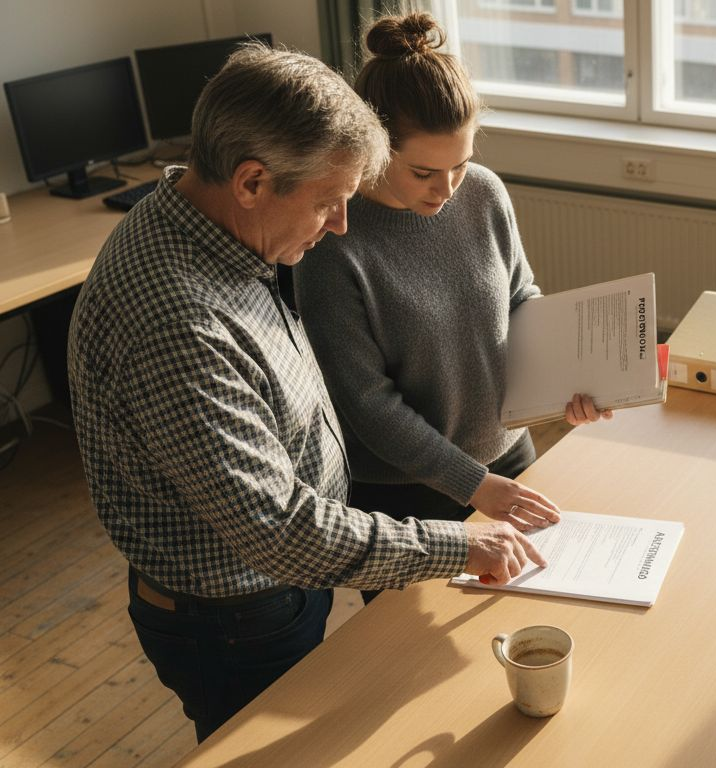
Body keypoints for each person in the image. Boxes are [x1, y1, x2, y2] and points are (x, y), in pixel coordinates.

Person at [67, 44, 544, 743]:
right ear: (253, 181)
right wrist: (460, 546)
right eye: (329, 202)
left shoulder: (215, 228)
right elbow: (282, 530)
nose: (342, 227)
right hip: (234, 614)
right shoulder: (178, 322)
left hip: (280, 587)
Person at [293, 11, 610, 604]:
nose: (447, 190)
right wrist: (473, 485)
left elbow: (520, 300)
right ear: (372, 148)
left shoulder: (484, 193)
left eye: (461, 165)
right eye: (423, 172)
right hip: (403, 496)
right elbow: (367, 405)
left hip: (508, 461)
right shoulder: (332, 241)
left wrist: (568, 382)